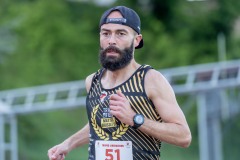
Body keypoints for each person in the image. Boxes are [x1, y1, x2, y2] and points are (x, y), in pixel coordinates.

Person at [48, 5, 191, 160]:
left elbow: (183, 136)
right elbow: (100, 123)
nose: (111, 41)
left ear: (137, 40)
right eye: (106, 33)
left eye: (121, 34)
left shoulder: (150, 80)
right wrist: (68, 144)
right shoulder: (93, 81)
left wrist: (135, 119)